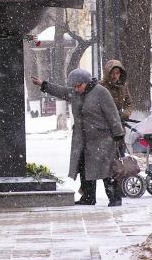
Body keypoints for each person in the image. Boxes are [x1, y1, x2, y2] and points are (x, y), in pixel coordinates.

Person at [31, 68, 125, 206]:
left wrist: (118, 134)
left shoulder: (101, 92)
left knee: (107, 170)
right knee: (84, 168)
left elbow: (113, 115)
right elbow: (61, 91)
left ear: (87, 82)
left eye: (79, 85)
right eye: (74, 86)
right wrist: (43, 85)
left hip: (102, 139)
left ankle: (115, 198)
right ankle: (88, 197)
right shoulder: (75, 93)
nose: (77, 88)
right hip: (83, 140)